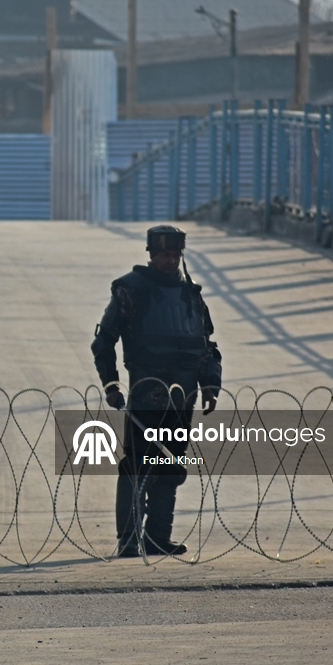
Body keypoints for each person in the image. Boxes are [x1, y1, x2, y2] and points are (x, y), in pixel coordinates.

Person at [90, 225, 221, 558]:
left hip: (183, 395)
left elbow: (206, 345)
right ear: (151, 253)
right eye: (164, 254)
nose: (171, 260)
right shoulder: (130, 290)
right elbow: (103, 341)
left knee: (171, 466)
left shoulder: (190, 294)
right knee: (138, 466)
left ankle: (158, 537)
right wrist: (111, 384)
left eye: (176, 254)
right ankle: (129, 539)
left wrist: (210, 384)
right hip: (147, 393)